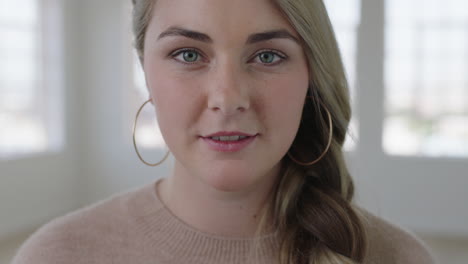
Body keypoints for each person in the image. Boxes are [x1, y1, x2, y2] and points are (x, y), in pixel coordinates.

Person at [12, 0, 436, 263]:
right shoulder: (57, 256)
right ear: (145, 70)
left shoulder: (397, 258)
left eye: (268, 55)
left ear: (312, 75)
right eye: (188, 53)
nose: (228, 97)